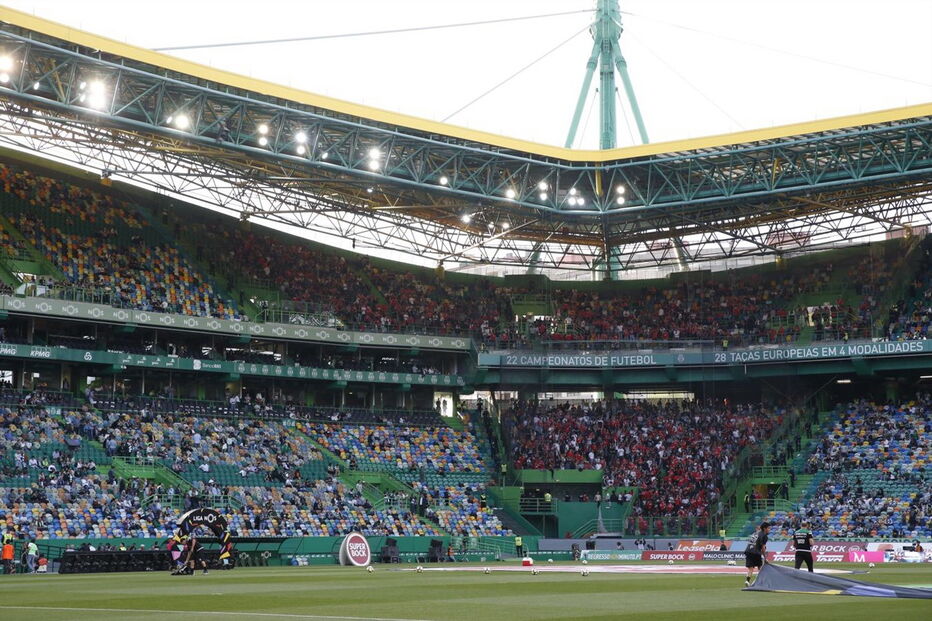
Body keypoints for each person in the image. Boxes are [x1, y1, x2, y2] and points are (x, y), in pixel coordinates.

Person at [744, 522, 770, 587]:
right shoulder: (764, 535)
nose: (769, 530)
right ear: (764, 528)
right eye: (768, 528)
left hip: (748, 551)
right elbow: (763, 548)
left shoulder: (755, 533)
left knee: (751, 568)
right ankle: (761, 582)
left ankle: (747, 581)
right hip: (755, 552)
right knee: (760, 567)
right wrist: (765, 558)